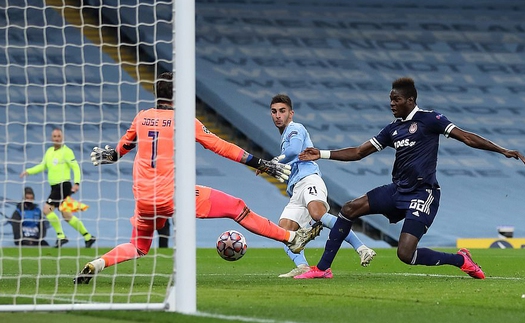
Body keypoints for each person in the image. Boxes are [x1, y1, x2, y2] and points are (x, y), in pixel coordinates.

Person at [74, 72, 321, 284]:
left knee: (138, 246)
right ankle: (292, 238)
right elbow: (221, 147)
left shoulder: (141, 117)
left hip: (143, 198)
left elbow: (119, 151)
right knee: (236, 207)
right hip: (172, 195)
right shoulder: (184, 120)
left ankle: (98, 263)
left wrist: (110, 155)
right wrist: (260, 163)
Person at [295, 77, 525, 279]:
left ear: (410, 100)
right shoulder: (392, 129)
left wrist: (502, 149)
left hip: (423, 193)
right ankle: (323, 269)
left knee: (405, 254)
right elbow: (359, 152)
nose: (392, 104)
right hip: (397, 190)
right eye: (390, 99)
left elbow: (465, 137)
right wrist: (322, 154)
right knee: (349, 209)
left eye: (396, 99)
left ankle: (461, 260)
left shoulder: (430, 119)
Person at [266, 94, 376, 278]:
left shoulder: (295, 128)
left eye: (282, 111)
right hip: (296, 189)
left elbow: (293, 151)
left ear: (291, 114)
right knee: (284, 231)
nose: (278, 115)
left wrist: (274, 162)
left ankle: (361, 248)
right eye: (274, 112)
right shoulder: (284, 135)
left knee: (318, 213)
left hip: (309, 179)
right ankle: (303, 267)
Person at [20, 128, 96, 248]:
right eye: (54, 136)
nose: (56, 138)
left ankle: (61, 236)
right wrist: (28, 171)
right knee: (66, 215)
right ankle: (88, 236)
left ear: (62, 138)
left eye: (59, 136)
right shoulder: (50, 151)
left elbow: (75, 167)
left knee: (47, 210)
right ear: (51, 138)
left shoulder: (67, 151)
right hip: (55, 187)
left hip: (63, 185)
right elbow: (42, 166)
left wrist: (76, 183)